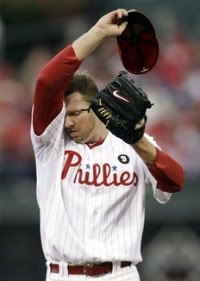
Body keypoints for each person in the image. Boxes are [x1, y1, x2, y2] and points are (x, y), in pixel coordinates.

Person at [31, 8, 185, 281]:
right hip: (64, 274)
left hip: (120, 273)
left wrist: (138, 141)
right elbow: (47, 80)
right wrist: (99, 33)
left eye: (75, 113)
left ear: (96, 108)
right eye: (63, 116)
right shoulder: (51, 143)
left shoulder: (133, 143)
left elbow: (174, 181)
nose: (67, 123)